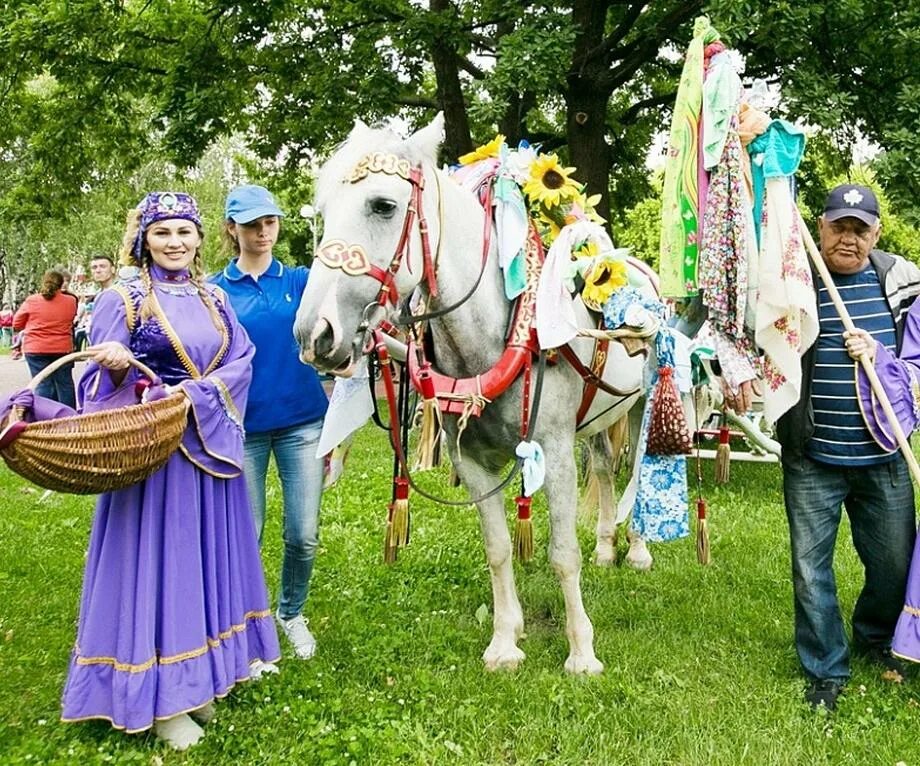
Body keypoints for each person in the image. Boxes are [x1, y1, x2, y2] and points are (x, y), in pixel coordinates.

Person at [60, 191, 281, 750]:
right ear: (144, 240)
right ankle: (161, 701)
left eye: (185, 231)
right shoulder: (123, 299)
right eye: (163, 233)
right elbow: (91, 388)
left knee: (204, 566)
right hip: (155, 463)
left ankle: (198, 678)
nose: (175, 242)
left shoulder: (212, 297)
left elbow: (242, 358)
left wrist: (197, 397)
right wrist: (117, 374)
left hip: (211, 452)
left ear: (202, 238)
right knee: (164, 567)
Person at [727, 184, 920, 711]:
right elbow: (754, 334)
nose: (849, 239)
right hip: (812, 455)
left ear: (876, 232)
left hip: (884, 455)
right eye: (840, 226)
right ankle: (825, 669)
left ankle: (875, 636)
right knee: (811, 570)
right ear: (820, 228)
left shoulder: (901, 281)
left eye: (861, 229)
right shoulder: (795, 282)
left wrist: (881, 356)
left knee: (893, 565)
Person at [210, 184, 329, 660]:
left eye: (271, 222)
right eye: (253, 224)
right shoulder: (215, 291)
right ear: (231, 229)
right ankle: (247, 622)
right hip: (242, 428)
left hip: (302, 423)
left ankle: (291, 612)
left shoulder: (300, 280)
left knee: (303, 533)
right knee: (247, 532)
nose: (263, 232)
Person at [12, 269, 78, 407]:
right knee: (65, 383)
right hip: (62, 348)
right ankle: (70, 417)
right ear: (61, 284)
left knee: (43, 383)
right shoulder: (71, 301)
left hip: (36, 348)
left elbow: (16, 323)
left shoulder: (32, 300)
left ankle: (45, 417)